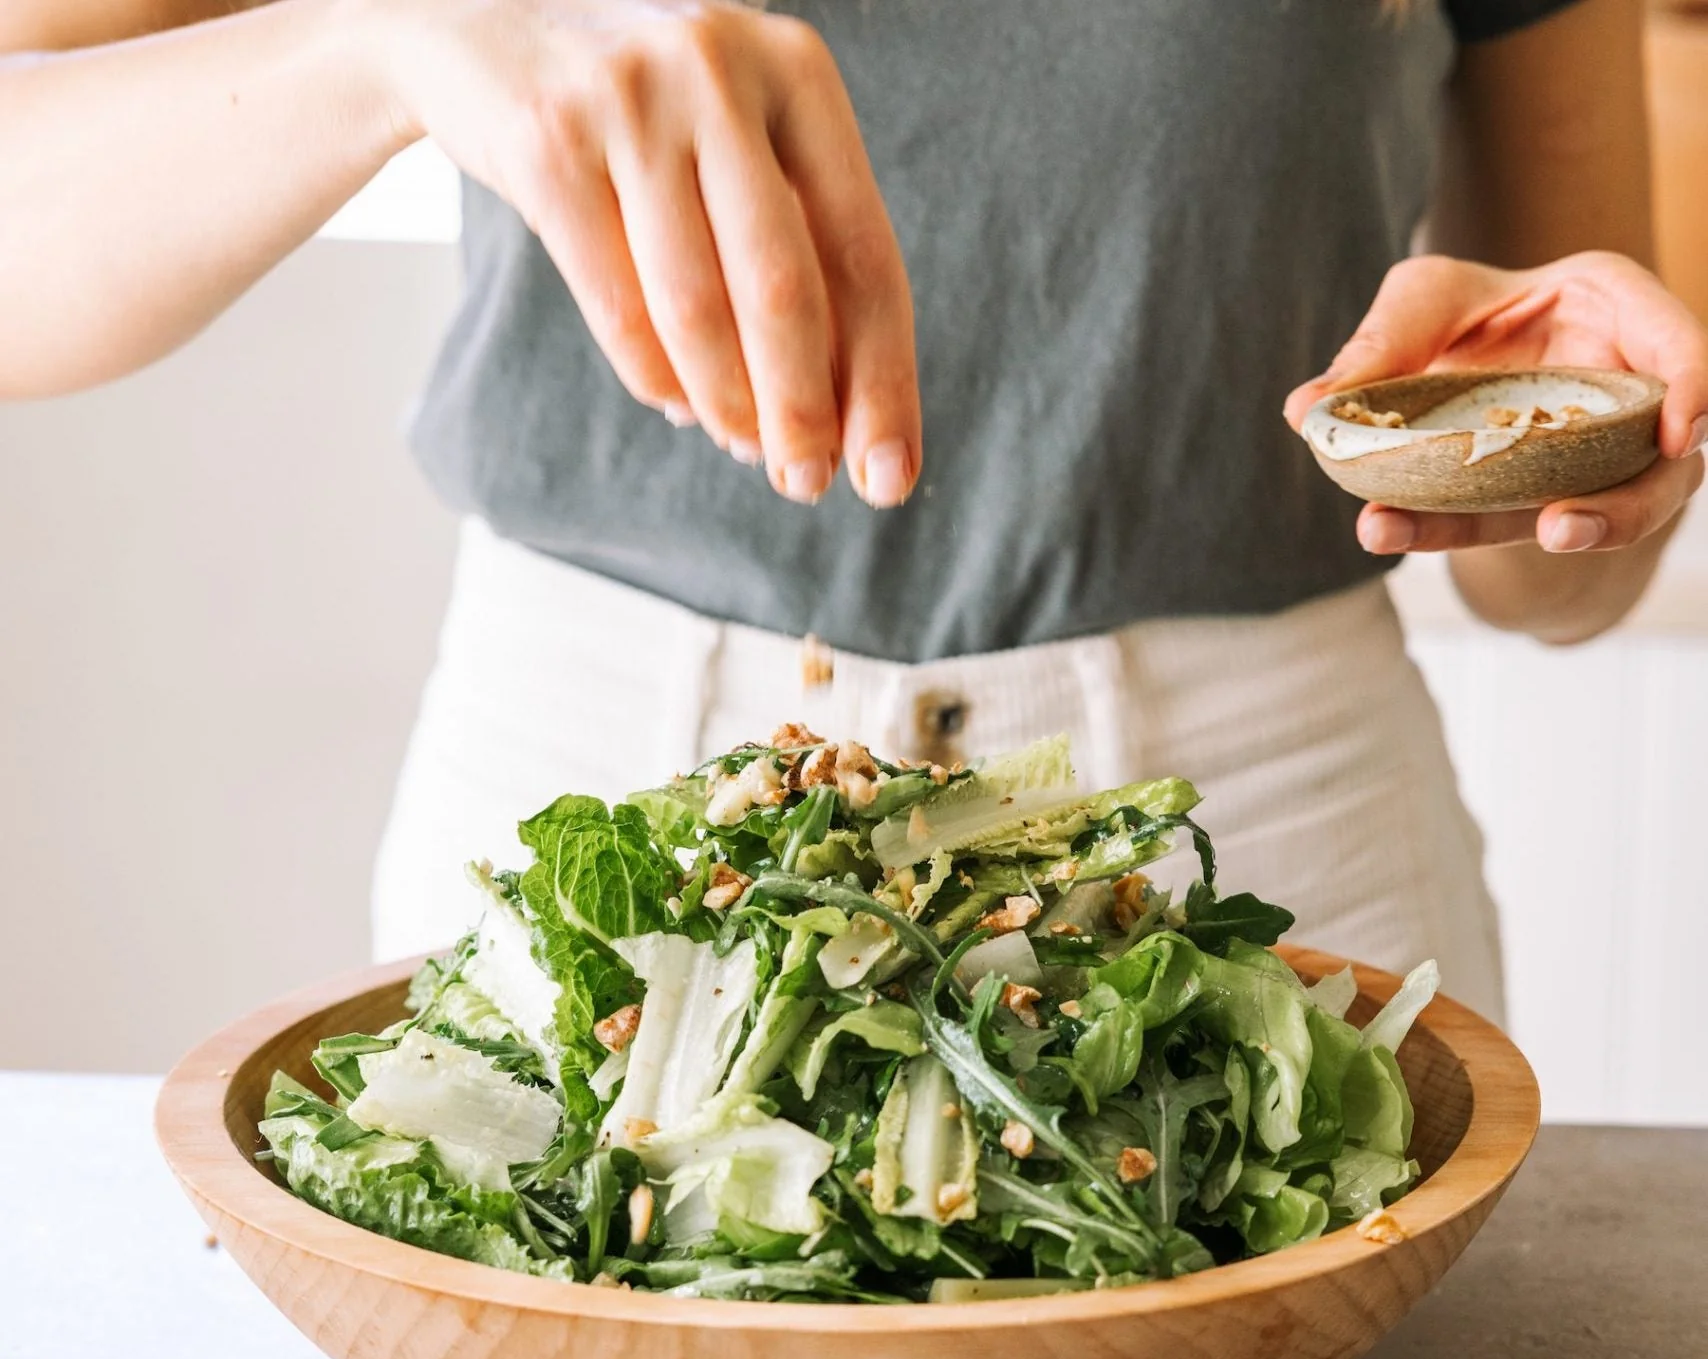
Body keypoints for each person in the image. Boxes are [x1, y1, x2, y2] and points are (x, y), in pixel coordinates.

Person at [4, 0, 1703, 1023]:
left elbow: (1557, 593)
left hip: (1267, 864)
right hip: (589, 833)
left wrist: (1577, 446)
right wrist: (387, 40)